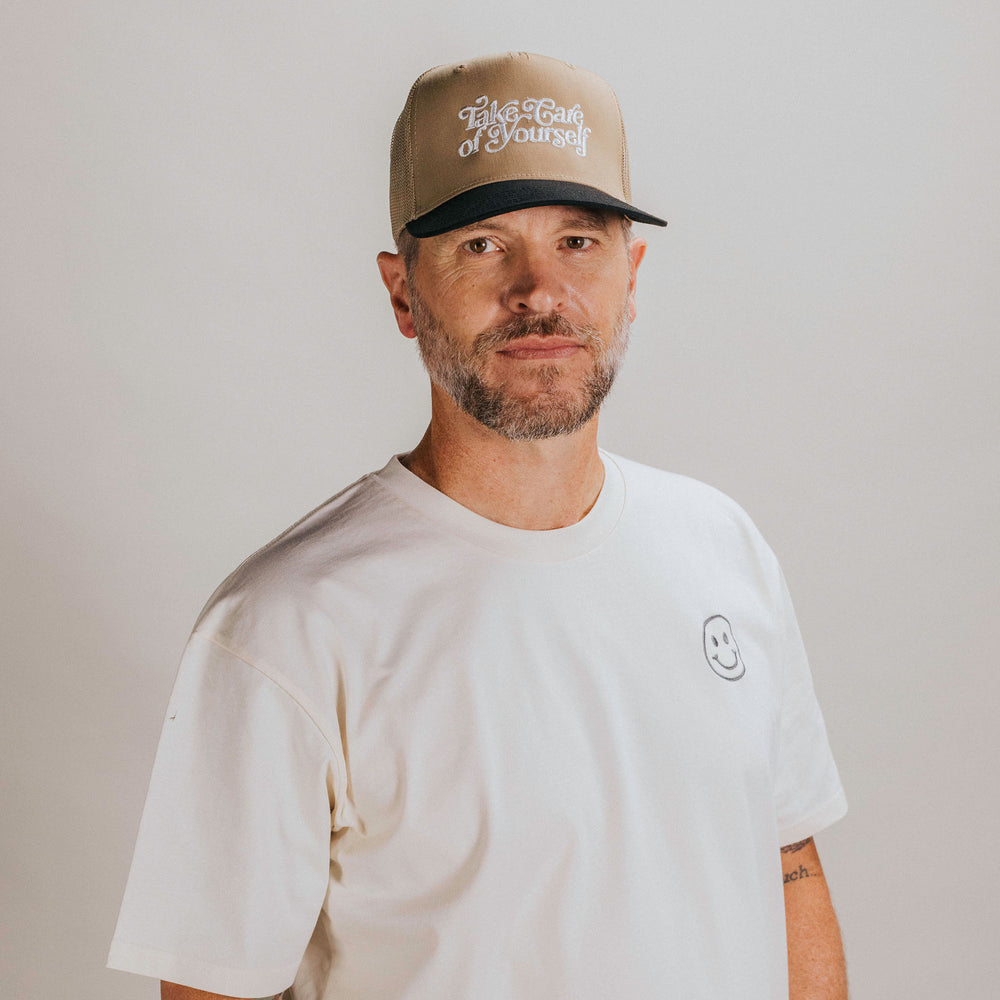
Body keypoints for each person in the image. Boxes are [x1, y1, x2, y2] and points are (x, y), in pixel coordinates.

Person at [108, 52, 848, 999]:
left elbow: (788, 870)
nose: (540, 291)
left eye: (579, 241)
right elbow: (212, 988)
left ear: (634, 272)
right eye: (484, 245)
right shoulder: (285, 628)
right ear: (402, 291)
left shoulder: (721, 548)